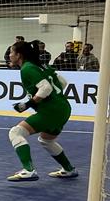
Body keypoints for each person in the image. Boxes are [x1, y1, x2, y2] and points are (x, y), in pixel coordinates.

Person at [7, 40, 77, 181]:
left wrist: (28, 104)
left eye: (11, 52)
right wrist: (55, 99)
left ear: (19, 55)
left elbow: (46, 88)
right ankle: (69, 169)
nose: (9, 55)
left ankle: (28, 170)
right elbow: (62, 82)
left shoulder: (27, 68)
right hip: (63, 108)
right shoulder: (41, 65)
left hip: (51, 111)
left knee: (15, 132)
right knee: (46, 140)